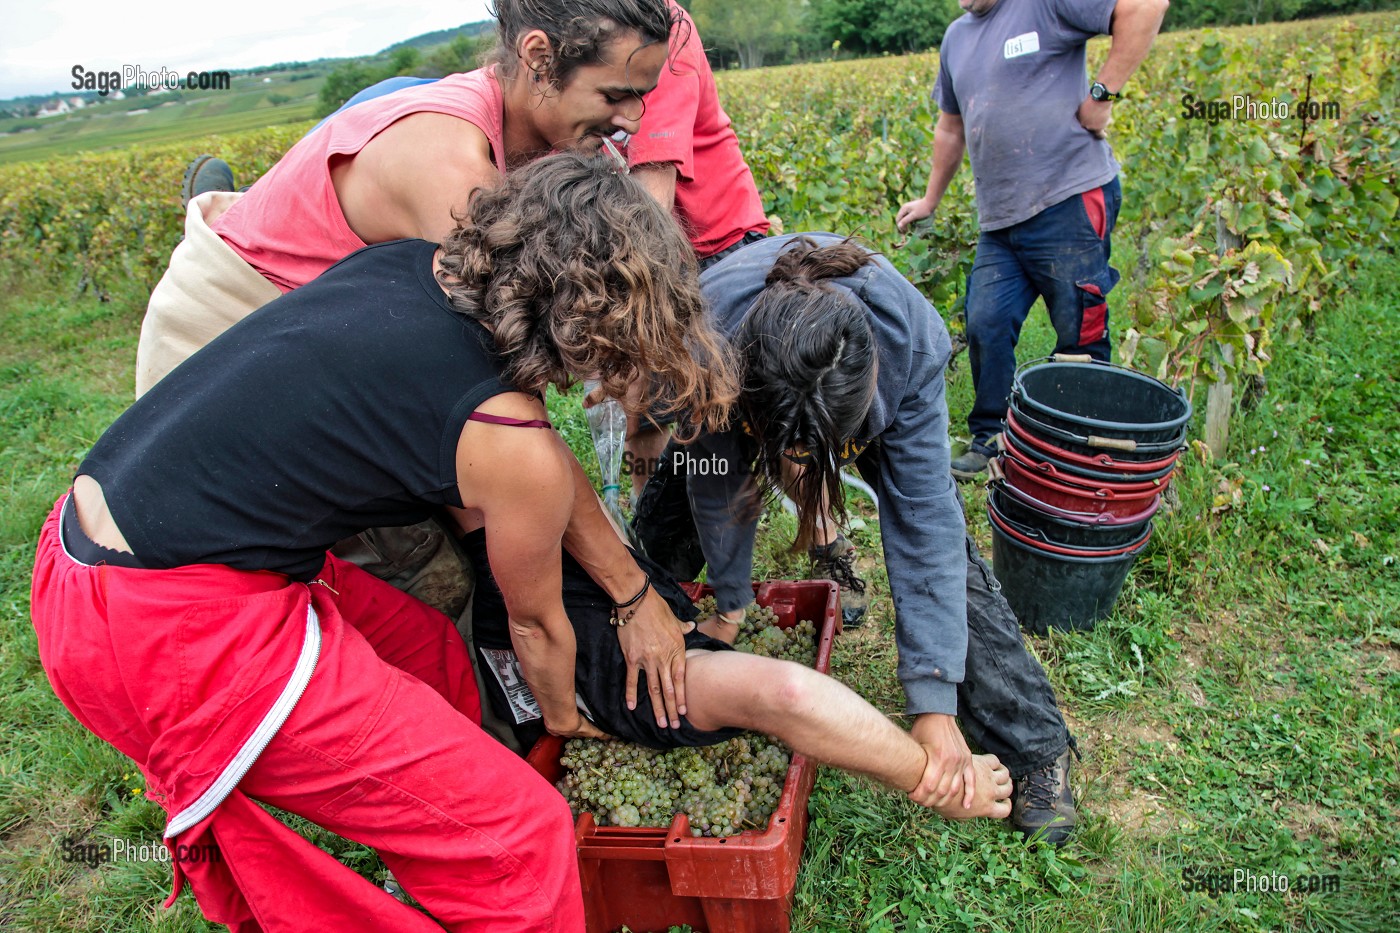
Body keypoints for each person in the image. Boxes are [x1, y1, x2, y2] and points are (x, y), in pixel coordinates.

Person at [31, 153, 737, 930]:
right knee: (525, 836)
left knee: (430, 651)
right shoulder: (508, 435)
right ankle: (487, 857)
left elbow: (535, 466)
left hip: (81, 552)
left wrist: (634, 593)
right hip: (172, 634)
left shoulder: (409, 267)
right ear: (601, 319)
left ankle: (441, 841)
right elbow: (536, 625)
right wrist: (569, 720)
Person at [138, 0, 702, 731]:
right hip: (226, 347)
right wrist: (630, 593)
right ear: (538, 57)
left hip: (346, 354)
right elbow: (507, 411)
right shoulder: (453, 172)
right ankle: (458, 754)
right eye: (614, 94)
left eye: (641, 96)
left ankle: (497, 726)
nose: (630, 119)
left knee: (483, 542)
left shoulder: (529, 142)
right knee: (415, 583)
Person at [634, 234, 1082, 844]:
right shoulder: (703, 342)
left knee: (946, 556)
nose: (799, 463)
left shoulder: (909, 348)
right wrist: (731, 604)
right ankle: (653, 658)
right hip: (736, 380)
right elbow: (722, 484)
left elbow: (922, 526)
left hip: (860, 383)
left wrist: (933, 704)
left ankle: (1036, 748)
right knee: (675, 509)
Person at [458, 526, 1013, 820]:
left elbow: (789, 692)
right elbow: (786, 692)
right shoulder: (524, 446)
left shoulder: (648, 683)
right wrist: (931, 779)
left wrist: (926, 773)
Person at [896, 0, 1169, 480]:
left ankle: (1084, 452)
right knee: (985, 323)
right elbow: (950, 127)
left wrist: (1102, 94)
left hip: (1067, 197)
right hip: (999, 220)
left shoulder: (1043, 4)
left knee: (1078, 333)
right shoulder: (957, 37)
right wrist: (929, 199)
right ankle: (993, 438)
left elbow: (1145, 6)